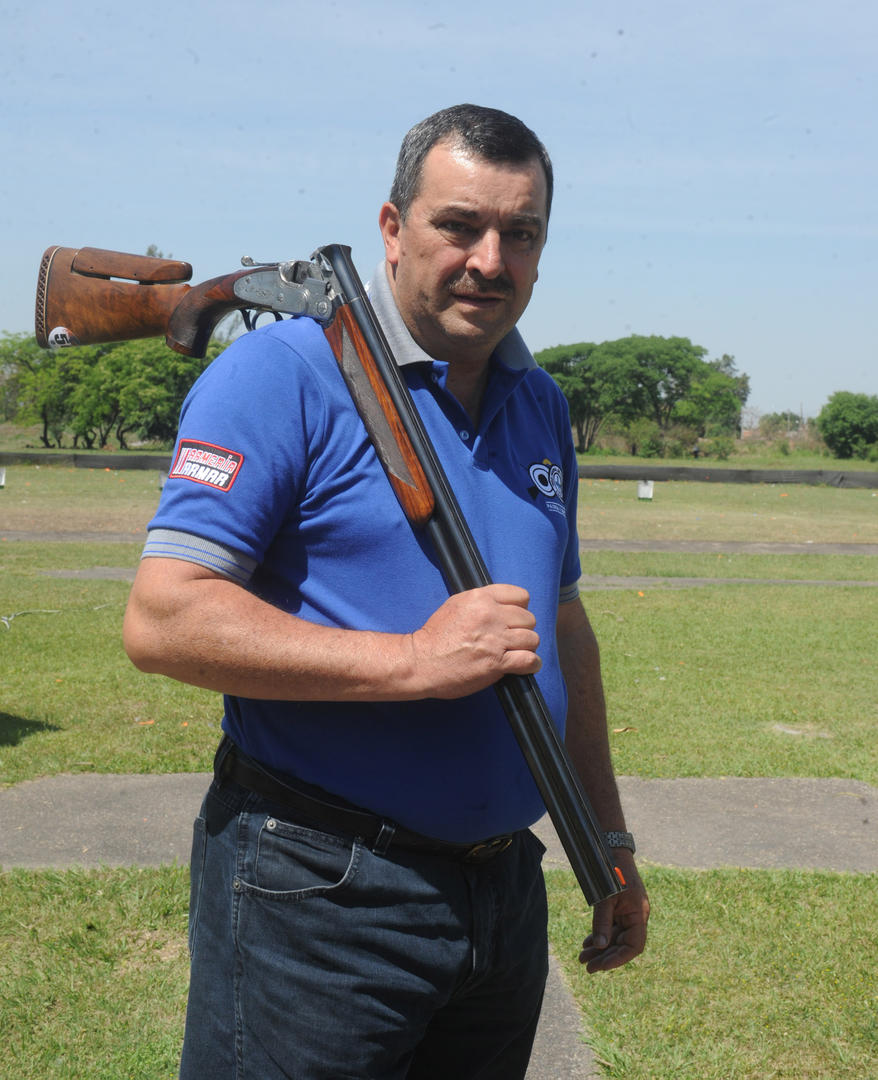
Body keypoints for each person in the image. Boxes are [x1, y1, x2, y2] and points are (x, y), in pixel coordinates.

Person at [123, 103, 649, 1080]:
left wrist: (601, 839)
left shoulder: (538, 402)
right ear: (391, 228)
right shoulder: (279, 374)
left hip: (501, 891)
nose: (490, 260)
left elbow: (561, 624)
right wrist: (412, 661)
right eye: (459, 225)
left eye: (520, 233)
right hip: (316, 892)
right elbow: (164, 616)